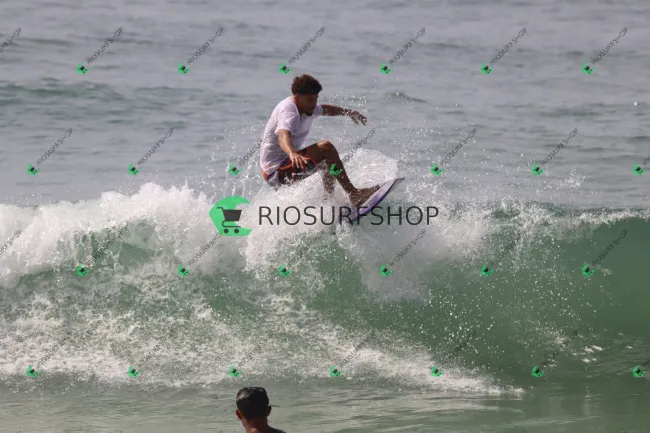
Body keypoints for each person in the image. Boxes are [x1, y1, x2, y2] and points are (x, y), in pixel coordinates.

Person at [259, 74, 380, 206]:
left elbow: (327, 110)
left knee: (328, 160)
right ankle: (353, 194)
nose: (314, 104)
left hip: (286, 166)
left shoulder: (306, 106)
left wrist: (349, 112)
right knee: (326, 148)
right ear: (297, 97)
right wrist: (292, 153)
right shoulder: (288, 112)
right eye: (310, 100)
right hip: (276, 173)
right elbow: (283, 135)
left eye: (316, 98)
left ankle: (329, 202)